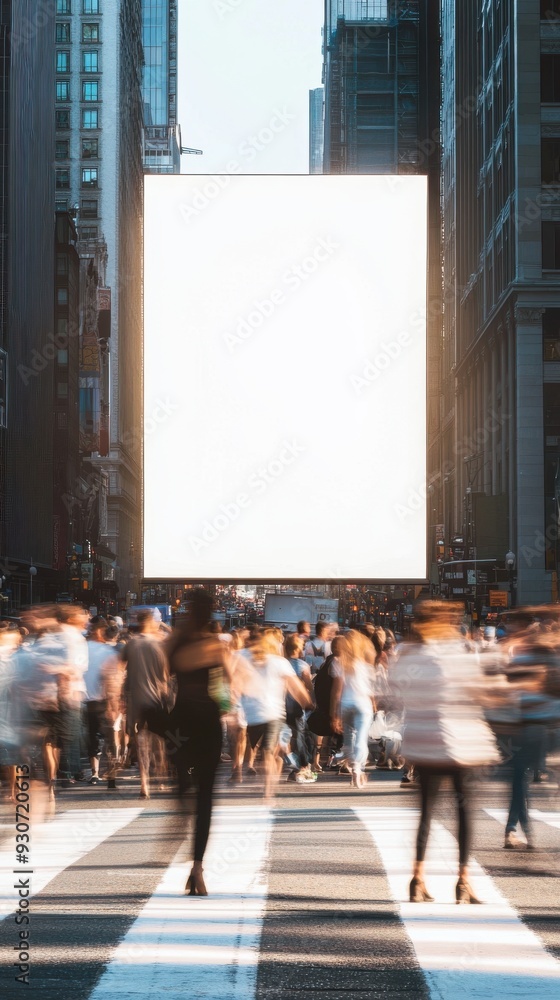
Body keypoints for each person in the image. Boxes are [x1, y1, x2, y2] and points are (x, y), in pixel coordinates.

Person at [391, 601, 500, 904]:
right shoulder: (455, 652)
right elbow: (478, 691)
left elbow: (396, 691)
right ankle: (463, 882)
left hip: (422, 744)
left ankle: (417, 878)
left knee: (425, 813)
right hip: (459, 745)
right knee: (464, 813)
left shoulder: (407, 654)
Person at [165, 589, 230, 896]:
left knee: (183, 783)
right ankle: (198, 868)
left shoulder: (175, 641)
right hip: (208, 721)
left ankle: (180, 810)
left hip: (180, 722)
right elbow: (228, 681)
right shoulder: (214, 644)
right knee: (206, 796)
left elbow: (166, 676)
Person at [232, 630, 312, 803]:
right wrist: (307, 701)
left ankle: (268, 789)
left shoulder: (243, 658)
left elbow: (232, 681)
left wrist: (232, 703)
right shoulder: (279, 662)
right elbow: (295, 687)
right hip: (273, 714)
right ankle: (269, 788)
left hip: (255, 716)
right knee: (269, 753)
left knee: (265, 752)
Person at [122, 608, 170, 799]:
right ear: (152, 623)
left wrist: (119, 697)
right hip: (156, 699)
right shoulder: (159, 646)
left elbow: (118, 669)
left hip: (135, 700)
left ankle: (144, 782)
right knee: (159, 741)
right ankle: (160, 777)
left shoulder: (131, 644)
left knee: (140, 742)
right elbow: (166, 676)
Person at [330, 631, 375, 787]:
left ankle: (352, 765)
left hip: (346, 704)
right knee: (361, 738)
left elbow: (336, 691)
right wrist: (374, 702)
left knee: (349, 738)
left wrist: (334, 714)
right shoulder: (365, 665)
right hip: (363, 704)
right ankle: (358, 768)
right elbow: (370, 689)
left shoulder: (339, 662)